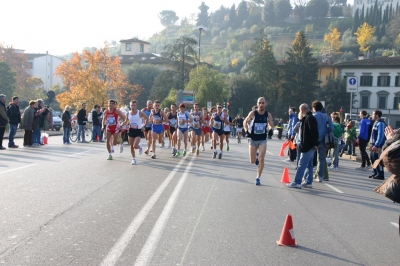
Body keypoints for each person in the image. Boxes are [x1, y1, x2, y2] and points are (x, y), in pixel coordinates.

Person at [244, 97, 274, 185]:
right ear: (257, 104)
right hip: (253, 139)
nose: (261, 104)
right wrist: (246, 131)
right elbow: (245, 122)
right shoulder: (253, 114)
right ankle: (256, 156)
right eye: (259, 103)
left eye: (263, 103)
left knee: (262, 159)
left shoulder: (268, 115)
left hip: (262, 139)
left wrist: (271, 129)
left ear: (266, 104)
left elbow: (271, 124)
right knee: (252, 161)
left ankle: (258, 177)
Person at [288, 104, 319, 189]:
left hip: (308, 145)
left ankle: (297, 182)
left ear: (301, 110)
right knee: (309, 164)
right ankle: (308, 182)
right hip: (309, 145)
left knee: (301, 164)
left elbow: (314, 132)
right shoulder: (308, 118)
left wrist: (315, 144)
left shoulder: (309, 118)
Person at [312, 101, 333, 182]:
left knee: (310, 159)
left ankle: (308, 177)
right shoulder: (327, 117)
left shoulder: (312, 116)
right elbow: (331, 128)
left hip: (313, 140)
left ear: (314, 108)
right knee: (321, 159)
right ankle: (320, 176)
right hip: (324, 140)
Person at [125, 100, 148, 165]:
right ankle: (134, 159)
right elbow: (126, 121)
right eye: (132, 105)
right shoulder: (128, 113)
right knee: (131, 146)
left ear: (136, 106)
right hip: (131, 130)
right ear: (130, 106)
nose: (133, 107)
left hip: (138, 130)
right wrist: (123, 124)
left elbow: (147, 118)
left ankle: (139, 147)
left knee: (135, 146)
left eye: (134, 105)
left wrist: (144, 126)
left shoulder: (139, 113)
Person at [369, 110, 386, 180]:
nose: (372, 115)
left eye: (373, 114)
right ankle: (375, 172)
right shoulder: (375, 123)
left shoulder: (381, 123)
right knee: (373, 158)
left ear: (377, 115)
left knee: (378, 159)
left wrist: (376, 145)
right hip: (373, 144)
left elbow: (380, 135)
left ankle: (380, 173)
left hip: (378, 145)